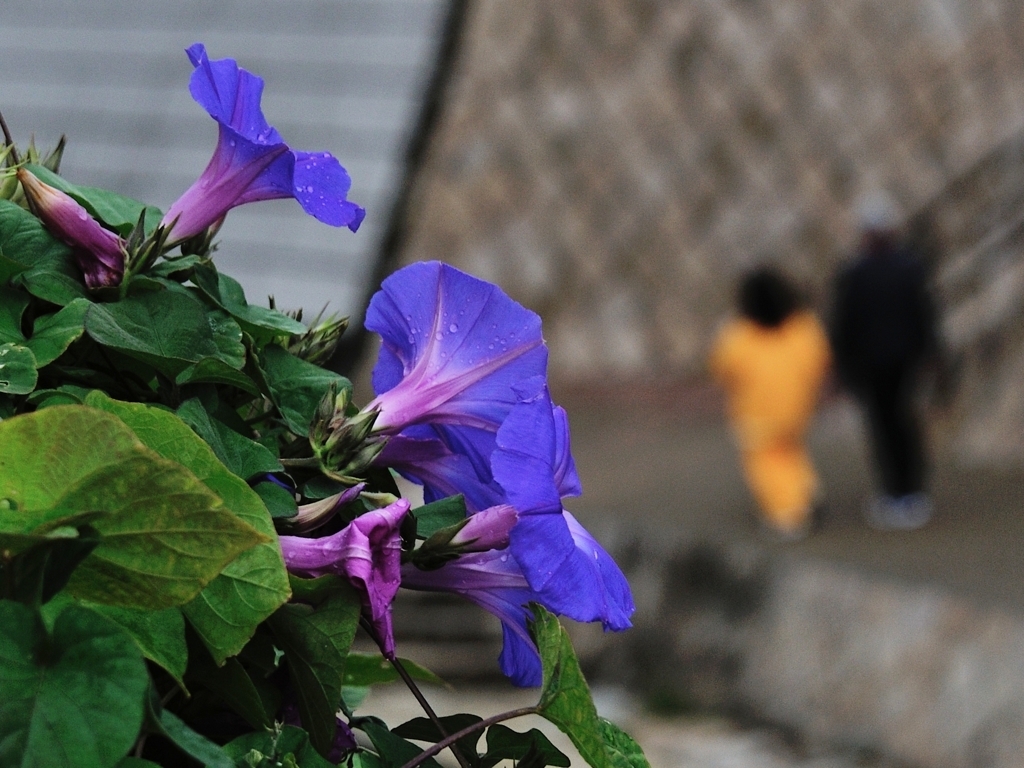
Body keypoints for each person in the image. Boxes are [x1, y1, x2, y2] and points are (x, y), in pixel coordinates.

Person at [829, 194, 938, 529]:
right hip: (903, 360)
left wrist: (842, 367)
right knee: (904, 423)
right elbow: (925, 317)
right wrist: (929, 355)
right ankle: (913, 492)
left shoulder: (855, 273)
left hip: (871, 364)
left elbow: (844, 324)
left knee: (883, 427)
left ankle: (894, 493)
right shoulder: (910, 268)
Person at [710, 267, 831, 540]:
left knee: (767, 465)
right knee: (791, 451)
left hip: (757, 416)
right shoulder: (803, 328)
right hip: (798, 409)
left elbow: (722, 368)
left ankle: (788, 514)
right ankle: (807, 490)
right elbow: (820, 361)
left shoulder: (739, 335)